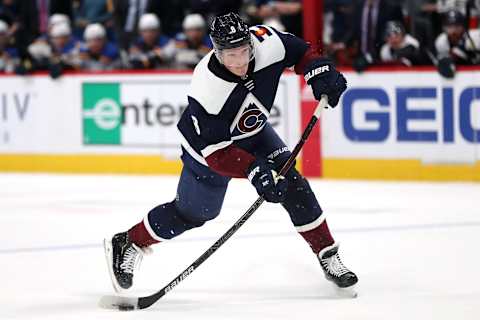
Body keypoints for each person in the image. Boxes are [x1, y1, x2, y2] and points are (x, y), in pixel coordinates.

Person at [104, 12, 358, 294]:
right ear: (216, 51)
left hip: (254, 132)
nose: (239, 61)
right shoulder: (206, 87)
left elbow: (301, 51)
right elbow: (218, 155)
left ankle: (327, 254)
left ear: (251, 42)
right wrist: (255, 171)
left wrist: (318, 69)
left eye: (243, 51)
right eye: (230, 55)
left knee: (292, 181)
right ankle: (130, 241)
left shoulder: (267, 42)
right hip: (208, 153)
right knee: (193, 214)